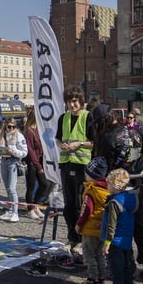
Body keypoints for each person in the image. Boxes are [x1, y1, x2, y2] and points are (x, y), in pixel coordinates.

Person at [93, 104, 143, 283]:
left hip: (119, 188)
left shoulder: (107, 137)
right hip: (138, 184)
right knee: (139, 227)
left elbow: (103, 165)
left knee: (118, 229)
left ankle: (124, 269)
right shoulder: (134, 130)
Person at [56, 85, 95, 249]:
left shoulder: (88, 117)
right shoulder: (63, 118)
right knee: (69, 207)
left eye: (74, 101)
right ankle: (72, 238)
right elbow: (57, 138)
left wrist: (79, 144)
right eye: (69, 102)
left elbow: (94, 143)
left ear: (80, 101)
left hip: (83, 167)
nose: (72, 105)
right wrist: (61, 145)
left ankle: (82, 240)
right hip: (66, 164)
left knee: (81, 206)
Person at [99, 168, 136, 284]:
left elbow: (111, 224)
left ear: (115, 186)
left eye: (108, 183)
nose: (107, 186)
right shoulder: (130, 198)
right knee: (127, 265)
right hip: (126, 239)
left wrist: (107, 242)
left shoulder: (114, 202)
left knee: (116, 267)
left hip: (115, 241)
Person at [75, 157, 112, 284]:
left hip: (90, 229)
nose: (85, 175)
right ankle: (102, 279)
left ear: (92, 175)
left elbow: (86, 210)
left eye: (86, 173)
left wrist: (79, 225)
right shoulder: (108, 190)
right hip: (102, 228)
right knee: (100, 255)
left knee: (89, 255)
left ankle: (92, 280)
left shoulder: (91, 191)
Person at [0, 117, 28, 222]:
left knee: (12, 189)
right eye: (9, 126)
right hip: (3, 161)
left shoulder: (19, 136)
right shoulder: (0, 135)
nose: (11, 129)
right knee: (7, 188)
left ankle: (15, 212)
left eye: (13, 127)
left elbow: (25, 152)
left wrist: (14, 152)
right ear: (5, 126)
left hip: (13, 162)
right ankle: (10, 209)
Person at [23, 108, 49, 219]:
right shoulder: (29, 131)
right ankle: (30, 209)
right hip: (32, 164)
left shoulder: (38, 129)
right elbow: (31, 151)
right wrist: (38, 166)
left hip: (39, 161)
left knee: (44, 184)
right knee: (31, 187)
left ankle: (35, 205)